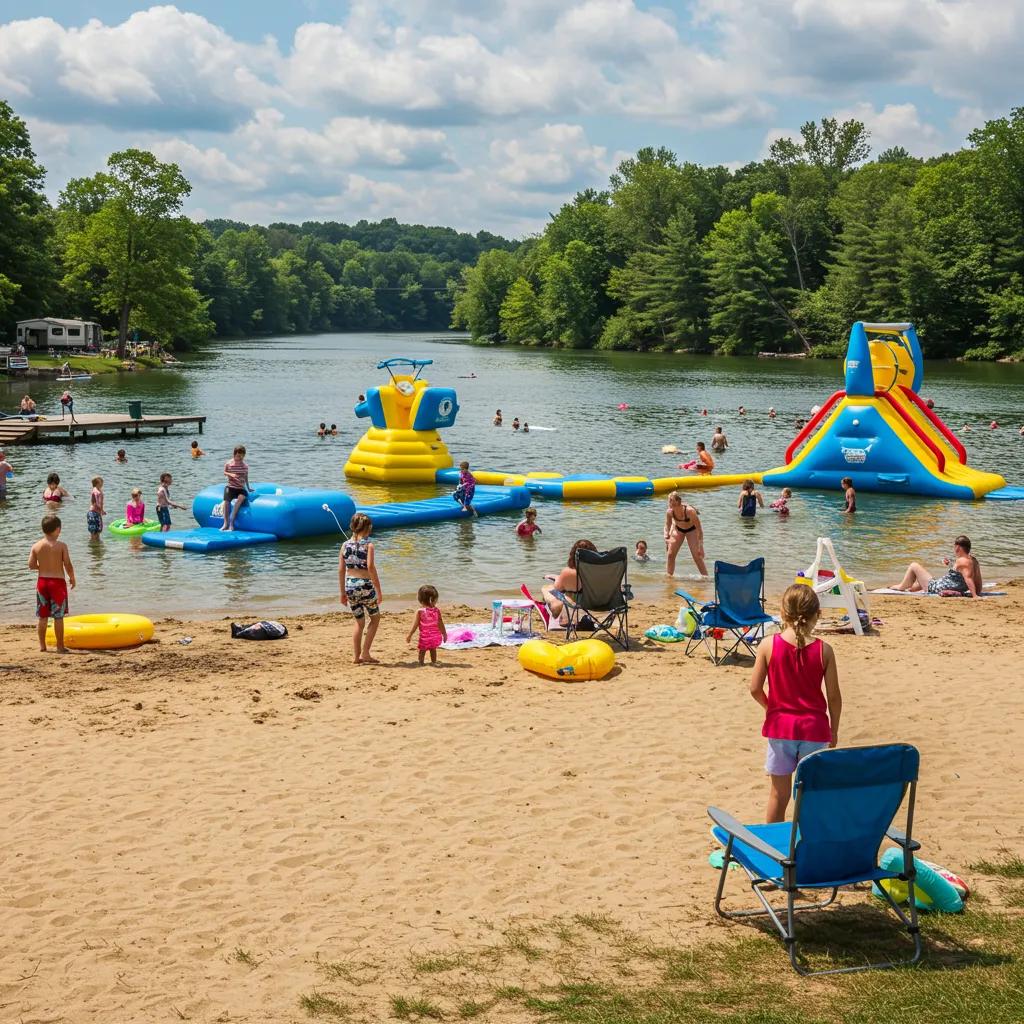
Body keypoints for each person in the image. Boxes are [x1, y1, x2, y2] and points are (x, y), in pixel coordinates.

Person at [749, 586, 841, 822]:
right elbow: (834, 697)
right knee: (809, 795)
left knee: (779, 795)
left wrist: (771, 708)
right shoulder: (824, 650)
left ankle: (772, 847)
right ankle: (806, 844)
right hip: (814, 729)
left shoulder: (768, 645)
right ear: (817, 615)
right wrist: (834, 730)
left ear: (782, 612)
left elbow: (755, 689)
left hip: (781, 728)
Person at [340, 512, 383, 664]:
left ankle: (356, 657)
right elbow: (370, 567)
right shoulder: (369, 545)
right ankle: (365, 653)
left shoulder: (344, 545)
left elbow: (341, 570)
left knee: (359, 622)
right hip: (364, 585)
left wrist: (342, 593)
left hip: (350, 585)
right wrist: (378, 590)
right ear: (368, 528)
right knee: (375, 618)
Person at [29, 514, 76, 654]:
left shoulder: (36, 546)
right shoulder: (61, 546)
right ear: (57, 530)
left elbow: (31, 565)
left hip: (42, 583)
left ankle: (42, 646)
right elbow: (67, 564)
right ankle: (60, 646)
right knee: (58, 617)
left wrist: (41, 567)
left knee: (43, 616)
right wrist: (72, 578)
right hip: (57, 584)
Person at [890, 535, 983, 597]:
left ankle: (900, 587)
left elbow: (968, 578)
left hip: (937, 587)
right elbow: (976, 578)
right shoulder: (974, 561)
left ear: (958, 547)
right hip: (942, 585)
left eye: (954, 546)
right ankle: (909, 589)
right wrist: (978, 592)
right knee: (917, 585)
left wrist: (974, 596)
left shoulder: (962, 561)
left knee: (914, 565)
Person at [542, 539, 597, 625]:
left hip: (577, 604)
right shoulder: (601, 571)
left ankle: (550, 609)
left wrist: (557, 578)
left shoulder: (568, 572)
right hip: (596, 602)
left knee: (546, 588)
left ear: (573, 555)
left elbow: (557, 589)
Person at [664, 491, 707, 576]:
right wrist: (666, 537)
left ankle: (705, 578)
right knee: (670, 555)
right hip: (678, 530)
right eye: (669, 501)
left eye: (671, 500)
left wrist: (701, 546)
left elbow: (699, 530)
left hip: (692, 530)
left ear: (678, 501)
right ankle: (669, 578)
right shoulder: (669, 512)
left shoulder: (690, 511)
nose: (669, 503)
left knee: (697, 556)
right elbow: (667, 525)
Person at [406, 584, 447, 665]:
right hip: (435, 636)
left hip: (425, 637)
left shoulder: (420, 611)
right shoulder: (436, 610)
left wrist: (410, 635)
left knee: (422, 650)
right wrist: (444, 633)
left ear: (420, 599)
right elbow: (440, 623)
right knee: (433, 649)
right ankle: (434, 662)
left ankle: (421, 663)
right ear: (434, 600)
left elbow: (415, 625)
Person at [221, 445, 251, 531]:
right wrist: (231, 474)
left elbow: (246, 477)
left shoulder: (245, 466)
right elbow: (225, 472)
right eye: (238, 455)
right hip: (231, 487)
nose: (240, 457)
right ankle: (225, 523)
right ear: (234, 455)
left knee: (241, 497)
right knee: (226, 501)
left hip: (241, 488)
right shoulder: (229, 463)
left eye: (242, 455)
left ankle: (231, 522)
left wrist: (248, 487)